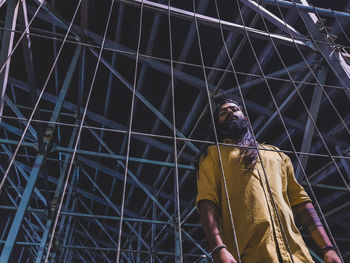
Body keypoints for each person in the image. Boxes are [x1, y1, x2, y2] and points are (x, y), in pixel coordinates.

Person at [196, 98, 342, 263]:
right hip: (249, 256)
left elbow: (300, 202)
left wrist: (328, 248)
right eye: (223, 113)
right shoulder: (213, 155)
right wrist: (218, 248)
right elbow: (207, 201)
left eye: (234, 109)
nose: (229, 112)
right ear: (217, 125)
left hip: (298, 257)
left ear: (246, 118)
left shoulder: (276, 154)